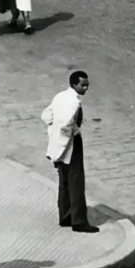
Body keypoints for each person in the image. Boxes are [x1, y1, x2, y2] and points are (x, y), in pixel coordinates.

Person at [45, 70, 94, 232]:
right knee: (76, 183)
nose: (86, 88)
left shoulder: (59, 96)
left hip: (57, 145)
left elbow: (46, 115)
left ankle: (65, 216)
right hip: (70, 145)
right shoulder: (74, 102)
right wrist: (73, 132)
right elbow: (67, 124)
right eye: (83, 85)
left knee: (64, 183)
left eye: (87, 85)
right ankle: (79, 221)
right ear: (74, 84)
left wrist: (55, 132)